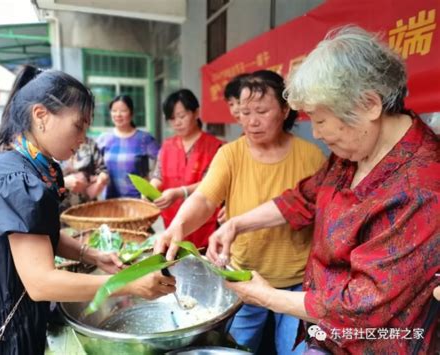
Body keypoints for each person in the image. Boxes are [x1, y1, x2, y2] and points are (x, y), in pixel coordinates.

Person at [202, 27, 440, 354]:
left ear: (369, 104)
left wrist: (267, 297)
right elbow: (303, 198)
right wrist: (236, 224)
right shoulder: (353, 152)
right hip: (324, 331)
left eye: (321, 119)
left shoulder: (423, 185)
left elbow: (366, 303)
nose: (315, 132)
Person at [0, 65, 175, 355]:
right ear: (41, 116)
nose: (82, 139)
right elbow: (40, 282)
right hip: (2, 337)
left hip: (18, 321)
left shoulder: (31, 168)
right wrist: (128, 284)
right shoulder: (18, 182)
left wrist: (93, 255)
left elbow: (41, 235)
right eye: (79, 126)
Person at [155, 72, 326, 354]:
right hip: (243, 278)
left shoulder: (311, 156)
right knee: (236, 347)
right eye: (245, 112)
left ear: (285, 110)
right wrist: (179, 226)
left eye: (261, 111)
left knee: (293, 350)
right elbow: (205, 199)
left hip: (296, 283)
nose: (251, 121)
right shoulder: (230, 154)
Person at [150, 89, 224, 249]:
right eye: (172, 119)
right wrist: (150, 188)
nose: (177, 122)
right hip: (172, 220)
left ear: (196, 113)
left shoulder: (216, 147)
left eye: (182, 116)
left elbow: (212, 182)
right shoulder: (167, 145)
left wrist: (180, 192)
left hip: (205, 223)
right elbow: (159, 175)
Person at [97, 95, 159, 198]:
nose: (118, 114)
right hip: (110, 200)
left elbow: (163, 159)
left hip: (139, 200)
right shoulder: (104, 139)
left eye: (123, 110)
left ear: (131, 113)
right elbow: (95, 166)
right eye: (114, 110)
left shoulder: (144, 139)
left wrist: (154, 180)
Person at [60, 136, 109, 212]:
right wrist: (63, 182)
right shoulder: (53, 143)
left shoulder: (90, 143)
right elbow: (40, 179)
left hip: (87, 206)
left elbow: (103, 171)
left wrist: (98, 184)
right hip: (60, 209)